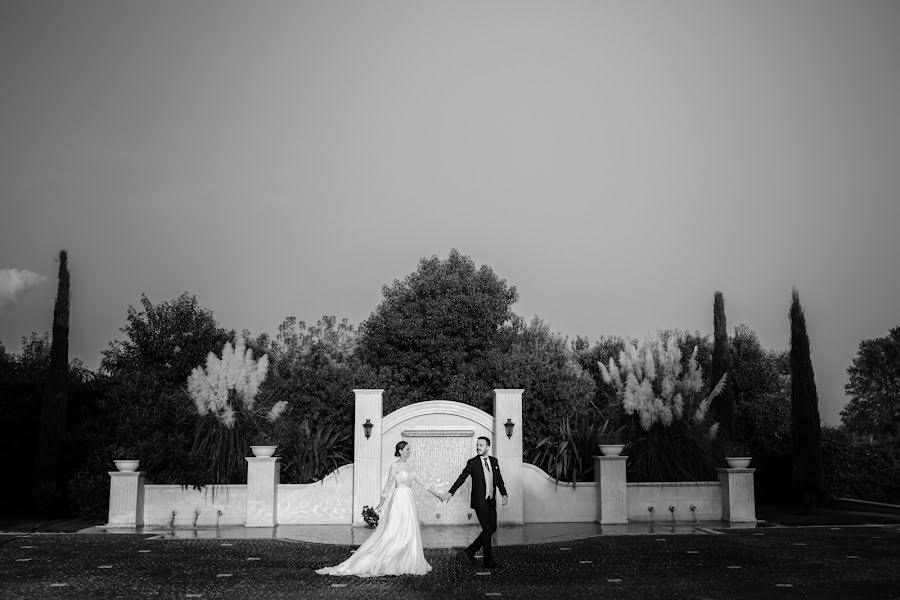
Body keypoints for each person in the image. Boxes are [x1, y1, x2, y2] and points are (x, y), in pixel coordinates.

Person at [316, 440, 442, 577]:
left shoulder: (410, 467)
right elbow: (388, 485)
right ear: (400, 451)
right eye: (407, 449)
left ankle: (407, 560)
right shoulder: (395, 466)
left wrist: (439, 495)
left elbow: (424, 483)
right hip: (399, 499)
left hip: (409, 500)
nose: (409, 451)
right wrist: (381, 504)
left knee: (410, 530)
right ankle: (387, 559)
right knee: (394, 530)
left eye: (409, 449)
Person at [440, 436, 507, 568]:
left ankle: (470, 551)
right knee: (487, 529)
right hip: (479, 501)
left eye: (481, 445)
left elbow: (498, 479)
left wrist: (504, 493)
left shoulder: (494, 461)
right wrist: (450, 493)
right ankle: (487, 560)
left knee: (492, 528)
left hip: (491, 500)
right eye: (477, 445)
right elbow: (461, 478)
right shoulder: (472, 462)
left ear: (487, 447)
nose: (478, 447)